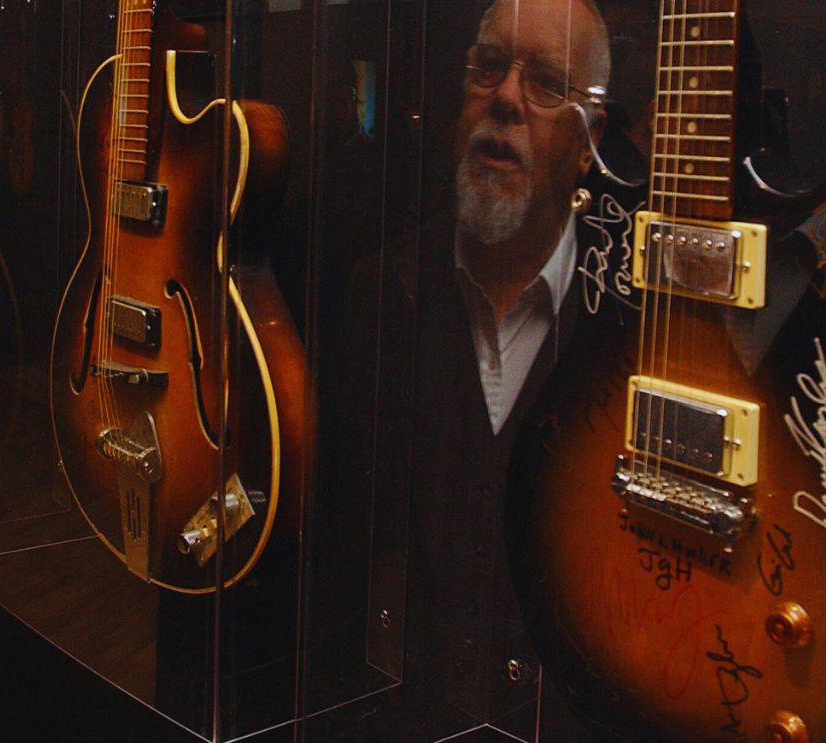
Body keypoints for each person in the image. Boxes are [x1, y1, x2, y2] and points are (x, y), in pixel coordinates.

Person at [307, 1, 639, 739]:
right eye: (488, 67)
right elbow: (337, 554)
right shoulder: (379, 291)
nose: (506, 97)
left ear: (589, 143)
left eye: (545, 82)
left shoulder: (631, 329)